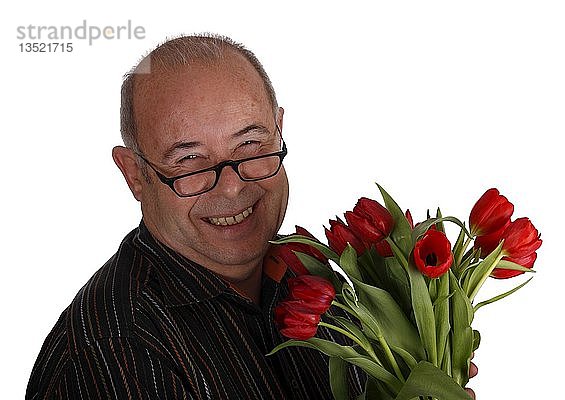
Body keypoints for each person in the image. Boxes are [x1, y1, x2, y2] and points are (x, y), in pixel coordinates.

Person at [27, 34, 476, 399]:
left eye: (250, 146)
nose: (232, 186)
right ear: (135, 174)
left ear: (279, 130)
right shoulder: (112, 354)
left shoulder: (318, 284)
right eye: (190, 161)